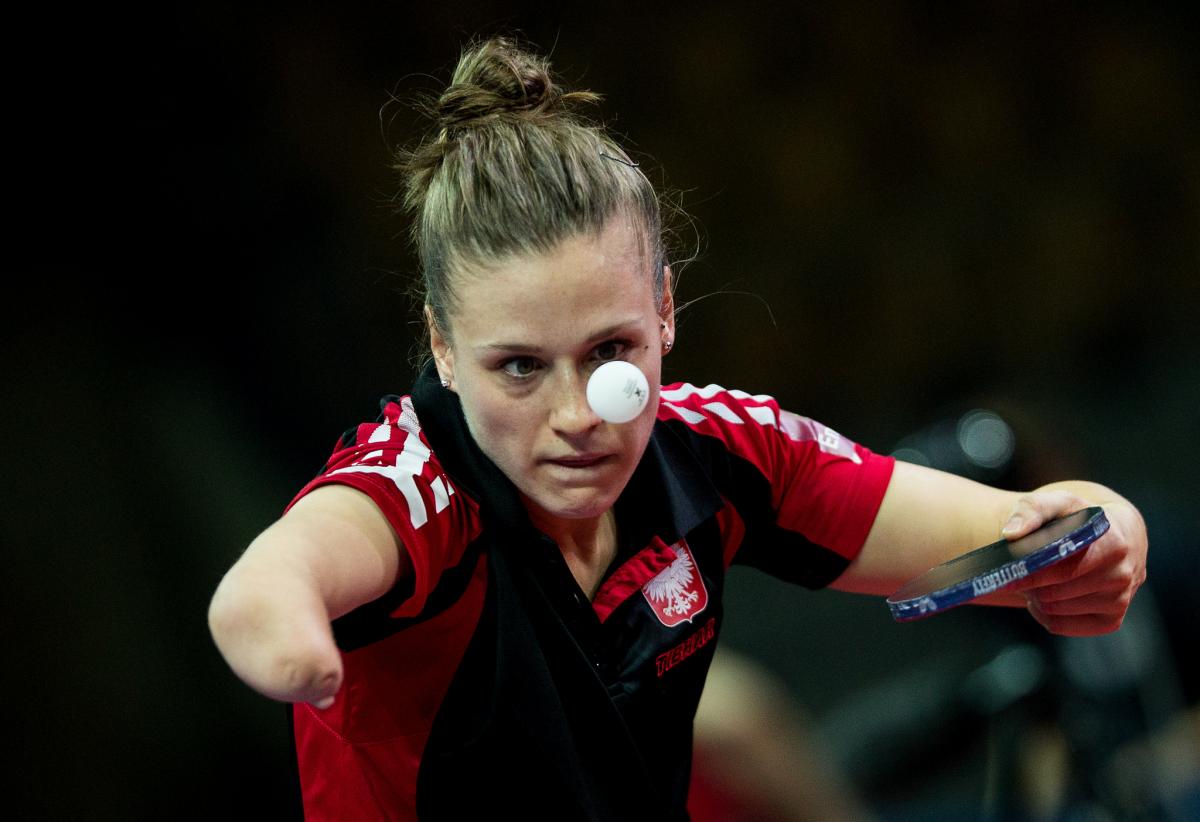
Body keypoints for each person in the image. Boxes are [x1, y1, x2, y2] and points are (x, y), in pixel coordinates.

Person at [206, 36, 1148, 821]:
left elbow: (1018, 526)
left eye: (610, 349)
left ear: (663, 309)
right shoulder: (414, 494)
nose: (576, 417)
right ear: (443, 348)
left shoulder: (715, 449)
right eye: (520, 367)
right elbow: (275, 575)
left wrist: (1099, 537)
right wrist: (285, 635)